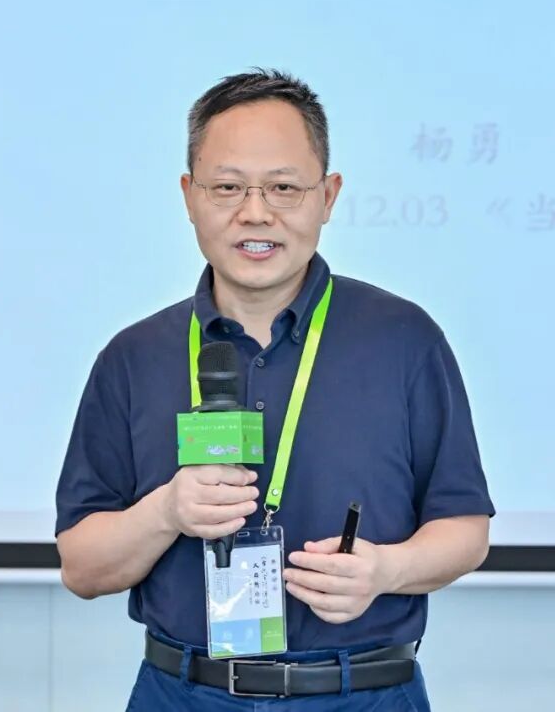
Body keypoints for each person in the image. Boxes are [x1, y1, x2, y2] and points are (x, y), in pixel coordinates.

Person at [55, 69, 494, 711]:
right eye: (228, 187)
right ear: (189, 196)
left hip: (362, 693)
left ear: (328, 196)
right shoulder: (134, 356)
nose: (255, 212)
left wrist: (386, 571)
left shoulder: (403, 339)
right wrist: (166, 511)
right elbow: (81, 567)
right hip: (184, 693)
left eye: (283, 188)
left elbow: (465, 528)